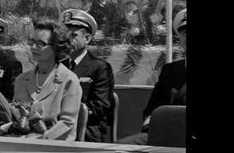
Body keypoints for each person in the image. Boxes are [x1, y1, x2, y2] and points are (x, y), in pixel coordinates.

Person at [117, 9, 187, 145]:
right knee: (120, 148)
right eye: (185, 33)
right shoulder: (170, 70)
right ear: (180, 38)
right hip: (167, 135)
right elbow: (151, 110)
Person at [11, 19, 82, 141]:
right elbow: (15, 117)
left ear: (56, 47)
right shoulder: (21, 80)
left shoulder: (69, 80)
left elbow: (67, 123)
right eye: (32, 42)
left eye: (41, 44)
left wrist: (42, 138)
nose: (33, 47)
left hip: (54, 148)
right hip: (20, 145)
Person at [59, 9, 115, 142]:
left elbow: (98, 107)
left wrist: (65, 116)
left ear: (87, 38)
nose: (68, 40)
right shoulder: (58, 66)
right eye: (65, 36)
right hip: (58, 124)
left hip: (88, 129)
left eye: (74, 35)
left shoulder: (100, 68)